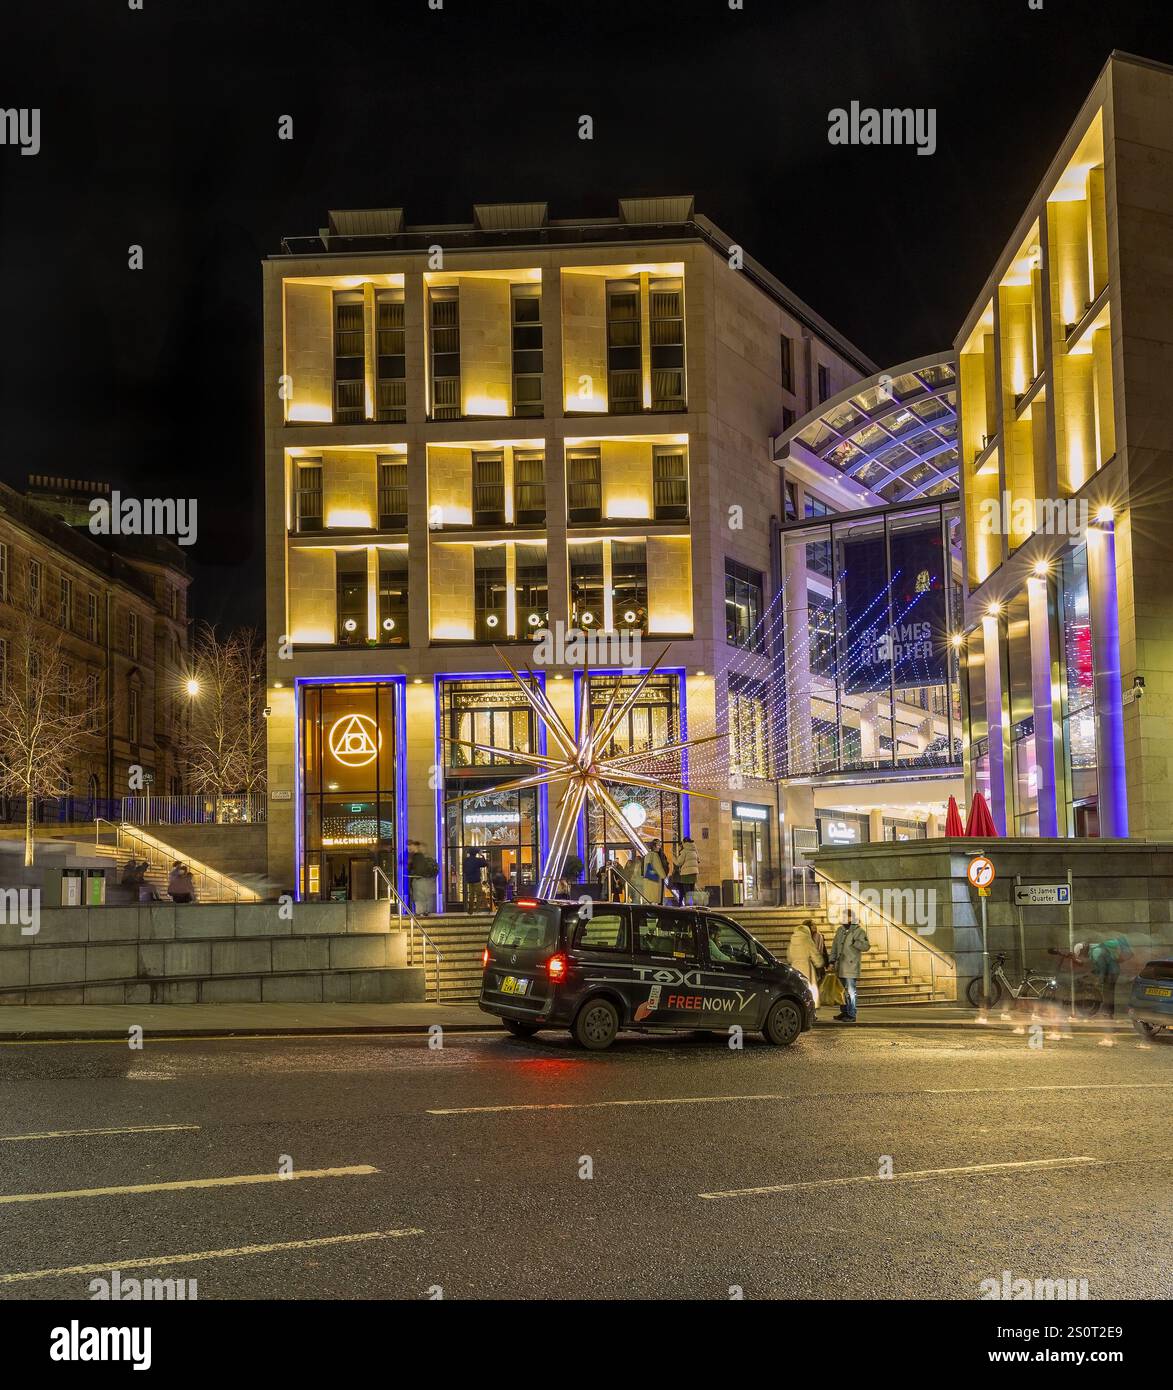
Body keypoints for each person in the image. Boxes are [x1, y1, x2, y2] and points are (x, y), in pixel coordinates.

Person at [828, 910, 870, 1022]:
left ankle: (852, 1014)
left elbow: (866, 946)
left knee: (851, 991)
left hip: (851, 966)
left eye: (845, 917)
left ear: (851, 918)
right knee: (841, 991)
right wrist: (831, 961)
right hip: (840, 965)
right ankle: (844, 1011)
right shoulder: (840, 930)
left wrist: (855, 942)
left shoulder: (858, 931)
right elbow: (835, 947)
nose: (843, 919)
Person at [1089, 935, 1132, 1018]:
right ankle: (1109, 1013)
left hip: (1111, 973)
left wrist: (1099, 980)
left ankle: (1107, 1013)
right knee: (1109, 992)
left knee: (1107, 992)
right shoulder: (1098, 949)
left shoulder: (1096, 951)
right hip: (1113, 971)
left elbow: (1102, 967)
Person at [787, 917, 827, 993]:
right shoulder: (807, 939)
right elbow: (814, 954)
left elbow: (789, 957)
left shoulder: (793, 939)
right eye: (812, 925)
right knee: (810, 989)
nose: (815, 926)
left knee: (798, 988)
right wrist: (820, 963)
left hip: (795, 967)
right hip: (806, 967)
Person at [640, 838, 670, 905]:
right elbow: (659, 868)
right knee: (655, 902)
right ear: (654, 846)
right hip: (655, 882)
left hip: (648, 881)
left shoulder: (647, 855)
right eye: (658, 845)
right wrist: (664, 875)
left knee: (649, 901)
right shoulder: (655, 855)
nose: (659, 846)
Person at [462, 847, 488, 913]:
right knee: (479, 895)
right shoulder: (477, 860)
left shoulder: (466, 860)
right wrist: (482, 855)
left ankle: (470, 910)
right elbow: (485, 864)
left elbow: (464, 870)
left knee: (471, 895)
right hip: (476, 880)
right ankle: (477, 909)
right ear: (476, 853)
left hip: (470, 880)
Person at [675, 836, 700, 903]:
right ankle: (693, 906)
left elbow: (678, 863)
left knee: (686, 892)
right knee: (692, 891)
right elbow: (698, 860)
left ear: (684, 843)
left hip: (686, 874)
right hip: (694, 873)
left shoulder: (684, 851)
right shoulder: (694, 850)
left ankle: (688, 906)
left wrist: (674, 858)